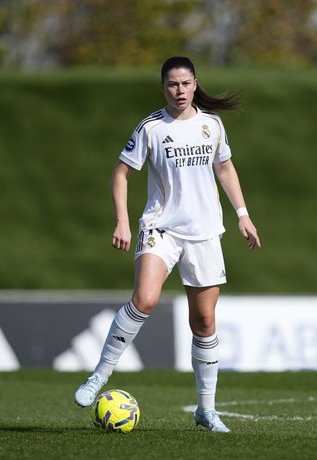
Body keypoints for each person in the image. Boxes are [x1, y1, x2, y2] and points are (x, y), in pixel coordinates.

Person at [74, 56, 261, 433]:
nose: (180, 91)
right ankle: (98, 376)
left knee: (204, 322)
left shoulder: (212, 125)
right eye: (173, 84)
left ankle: (205, 411)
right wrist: (123, 222)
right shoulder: (151, 128)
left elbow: (224, 167)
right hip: (162, 228)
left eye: (186, 83)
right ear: (163, 88)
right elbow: (121, 173)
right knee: (144, 298)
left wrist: (242, 213)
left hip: (206, 231)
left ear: (195, 85)